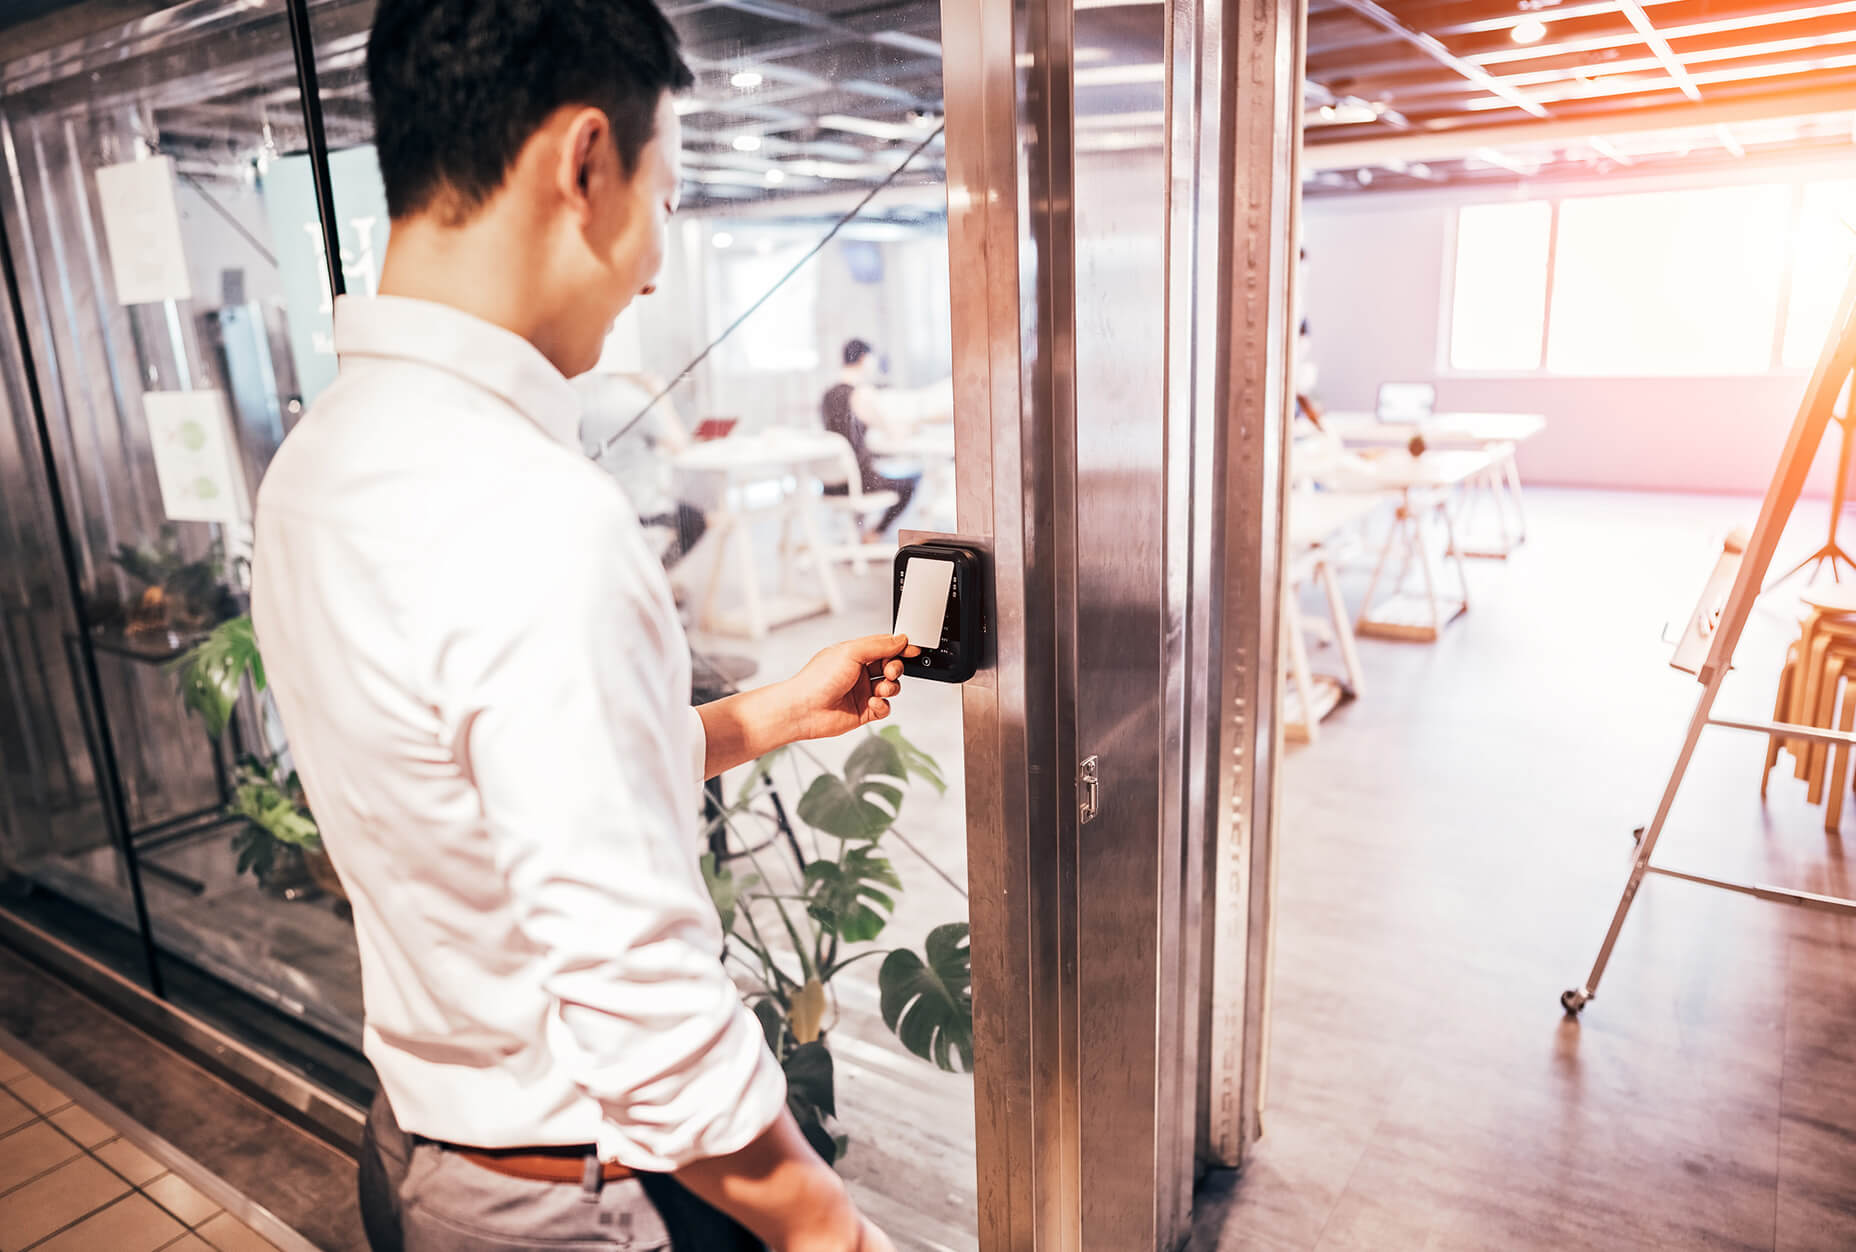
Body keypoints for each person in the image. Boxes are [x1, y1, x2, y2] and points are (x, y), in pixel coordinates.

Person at [248, 2, 907, 1249]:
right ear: (586, 163)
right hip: (560, 1196)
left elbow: (484, 795)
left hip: (418, 1145)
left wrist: (775, 711)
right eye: (664, 192)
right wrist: (832, 1232)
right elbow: (642, 1007)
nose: (657, 261)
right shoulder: (532, 512)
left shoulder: (318, 460)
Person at [577, 369, 708, 570]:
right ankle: (660, 578)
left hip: (600, 504)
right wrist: (661, 395)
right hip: (642, 508)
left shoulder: (585, 397)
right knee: (697, 521)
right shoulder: (637, 401)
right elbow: (679, 445)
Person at [819, 339, 947, 539]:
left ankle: (864, 533)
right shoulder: (860, 394)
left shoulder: (827, 395)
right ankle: (876, 533)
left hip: (832, 482)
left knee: (881, 469)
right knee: (912, 480)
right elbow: (892, 430)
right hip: (858, 482)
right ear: (864, 359)